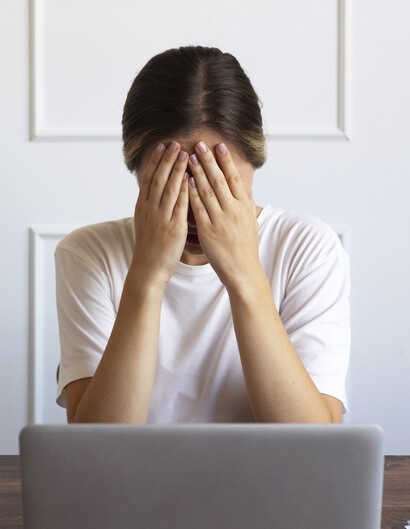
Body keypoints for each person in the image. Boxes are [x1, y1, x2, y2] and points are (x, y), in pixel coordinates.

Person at [55, 45, 350, 425]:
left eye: (219, 181)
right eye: (174, 181)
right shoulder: (88, 255)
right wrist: (147, 274)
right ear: (137, 170)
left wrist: (244, 274)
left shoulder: (307, 249)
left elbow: (316, 447)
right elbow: (95, 451)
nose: (198, 208)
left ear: (253, 164)